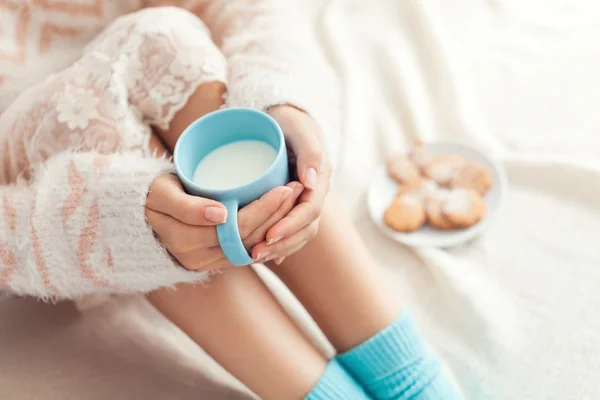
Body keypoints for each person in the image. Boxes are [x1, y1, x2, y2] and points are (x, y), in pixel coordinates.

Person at [0, 1, 463, 399]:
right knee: (97, 90)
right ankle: (402, 383)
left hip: (164, 104)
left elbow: (254, 12)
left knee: (160, 40)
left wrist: (282, 103)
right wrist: (112, 222)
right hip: (31, 193)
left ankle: (409, 380)